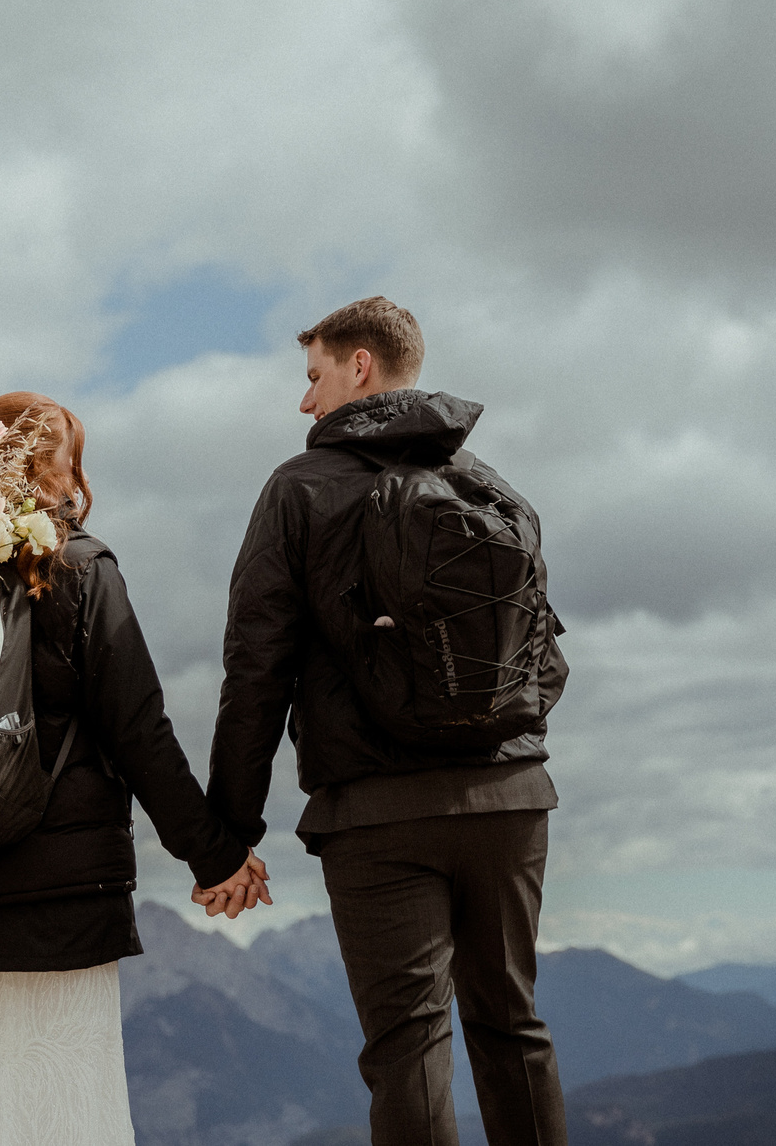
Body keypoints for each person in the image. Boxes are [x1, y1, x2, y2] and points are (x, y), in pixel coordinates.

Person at [197, 298, 569, 1146]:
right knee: (512, 1024)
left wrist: (228, 835)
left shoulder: (298, 489)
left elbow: (256, 668)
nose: (305, 403)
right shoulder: (491, 485)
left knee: (409, 1046)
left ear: (359, 365)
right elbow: (546, 654)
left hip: (377, 813)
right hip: (510, 800)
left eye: (313, 376)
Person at [0, 390, 264, 1146]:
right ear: (47, 462)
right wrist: (218, 853)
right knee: (68, 1102)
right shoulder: (79, 570)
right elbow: (137, 729)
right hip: (62, 894)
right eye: (71, 453)